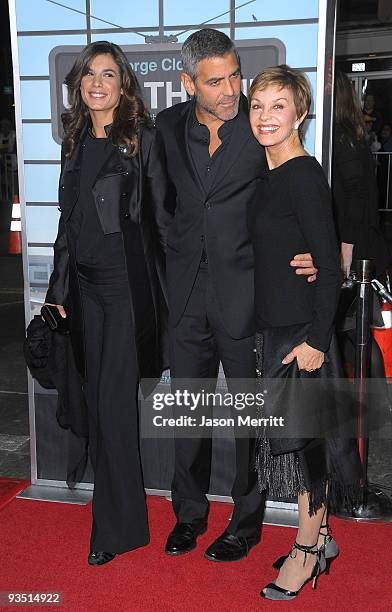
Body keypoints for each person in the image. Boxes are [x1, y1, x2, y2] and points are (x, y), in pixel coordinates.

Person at [156, 29, 317, 563]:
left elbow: (294, 194)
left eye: (234, 75)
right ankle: (189, 514)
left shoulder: (259, 125)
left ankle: (245, 522)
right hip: (185, 295)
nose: (231, 90)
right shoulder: (168, 126)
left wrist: (314, 254)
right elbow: (162, 209)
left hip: (246, 292)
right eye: (215, 80)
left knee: (249, 417)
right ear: (187, 82)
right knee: (191, 413)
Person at [45, 41, 170, 566]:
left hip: (124, 292)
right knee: (96, 404)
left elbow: (166, 220)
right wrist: (58, 295)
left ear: (124, 86)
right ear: (78, 85)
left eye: (108, 74)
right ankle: (125, 519)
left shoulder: (142, 140)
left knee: (115, 407)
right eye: (88, 74)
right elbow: (67, 227)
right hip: (85, 292)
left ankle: (113, 531)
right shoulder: (75, 142)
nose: (97, 83)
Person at [248, 65, 362, 600]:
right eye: (258, 105)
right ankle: (323, 537)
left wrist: (317, 341)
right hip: (276, 328)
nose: (266, 116)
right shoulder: (269, 175)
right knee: (293, 445)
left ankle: (307, 549)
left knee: (304, 449)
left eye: (278, 105)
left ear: (301, 113)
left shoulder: (302, 174)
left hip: (301, 336)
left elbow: (332, 268)